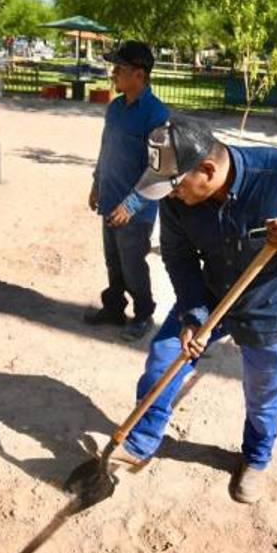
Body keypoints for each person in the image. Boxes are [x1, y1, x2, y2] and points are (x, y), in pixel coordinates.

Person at [108, 117, 277, 504]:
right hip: (211, 292)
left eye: (174, 187)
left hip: (272, 304)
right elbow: (179, 256)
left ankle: (256, 458)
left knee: (262, 391)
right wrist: (192, 314)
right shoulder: (177, 200)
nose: (169, 197)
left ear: (207, 170)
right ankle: (141, 441)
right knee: (164, 358)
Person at [84, 41, 170, 342]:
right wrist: (97, 184)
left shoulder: (157, 115)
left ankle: (143, 314)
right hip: (109, 199)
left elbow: (161, 170)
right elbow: (105, 150)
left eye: (119, 68)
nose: (113, 73)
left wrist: (131, 205)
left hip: (136, 212)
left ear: (139, 74)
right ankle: (114, 308)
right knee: (113, 261)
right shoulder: (115, 108)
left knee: (133, 265)